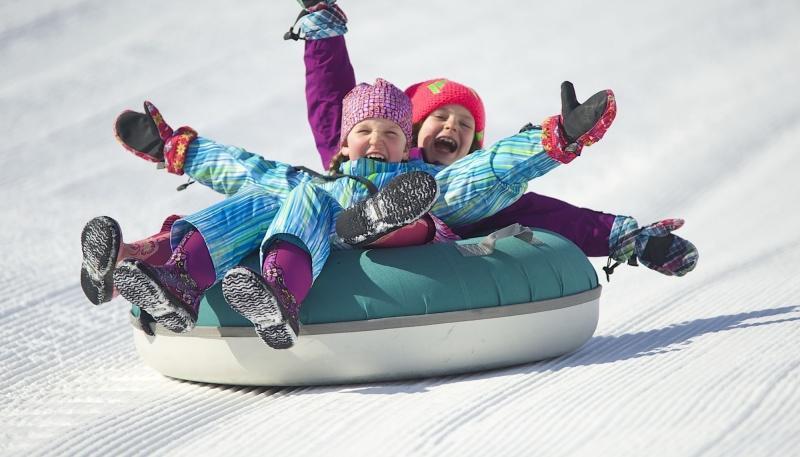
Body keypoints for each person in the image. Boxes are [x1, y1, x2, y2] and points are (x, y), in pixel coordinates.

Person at [288, 0, 698, 280]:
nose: (451, 128)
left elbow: (558, 219)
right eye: (440, 118)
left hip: (435, 260)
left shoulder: (484, 196)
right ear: (407, 132)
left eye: (466, 126)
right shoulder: (365, 154)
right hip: (345, 243)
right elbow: (332, 103)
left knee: (498, 199)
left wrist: (632, 239)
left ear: (475, 147)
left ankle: (566, 149)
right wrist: (321, 25)